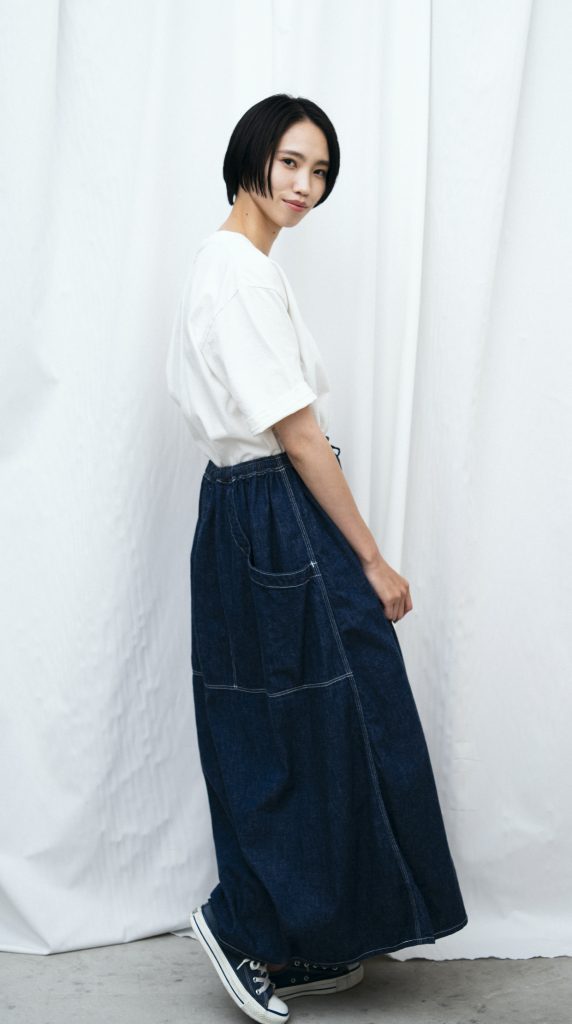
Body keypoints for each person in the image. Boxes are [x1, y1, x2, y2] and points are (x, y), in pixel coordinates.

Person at [165, 93, 468, 1024]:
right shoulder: (239, 275)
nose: (305, 185)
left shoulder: (236, 264)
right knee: (317, 717)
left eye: (321, 171)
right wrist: (371, 559)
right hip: (270, 507)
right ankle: (241, 923)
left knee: (294, 718)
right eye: (291, 162)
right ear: (250, 157)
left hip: (250, 508)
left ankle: (300, 937)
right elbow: (296, 432)